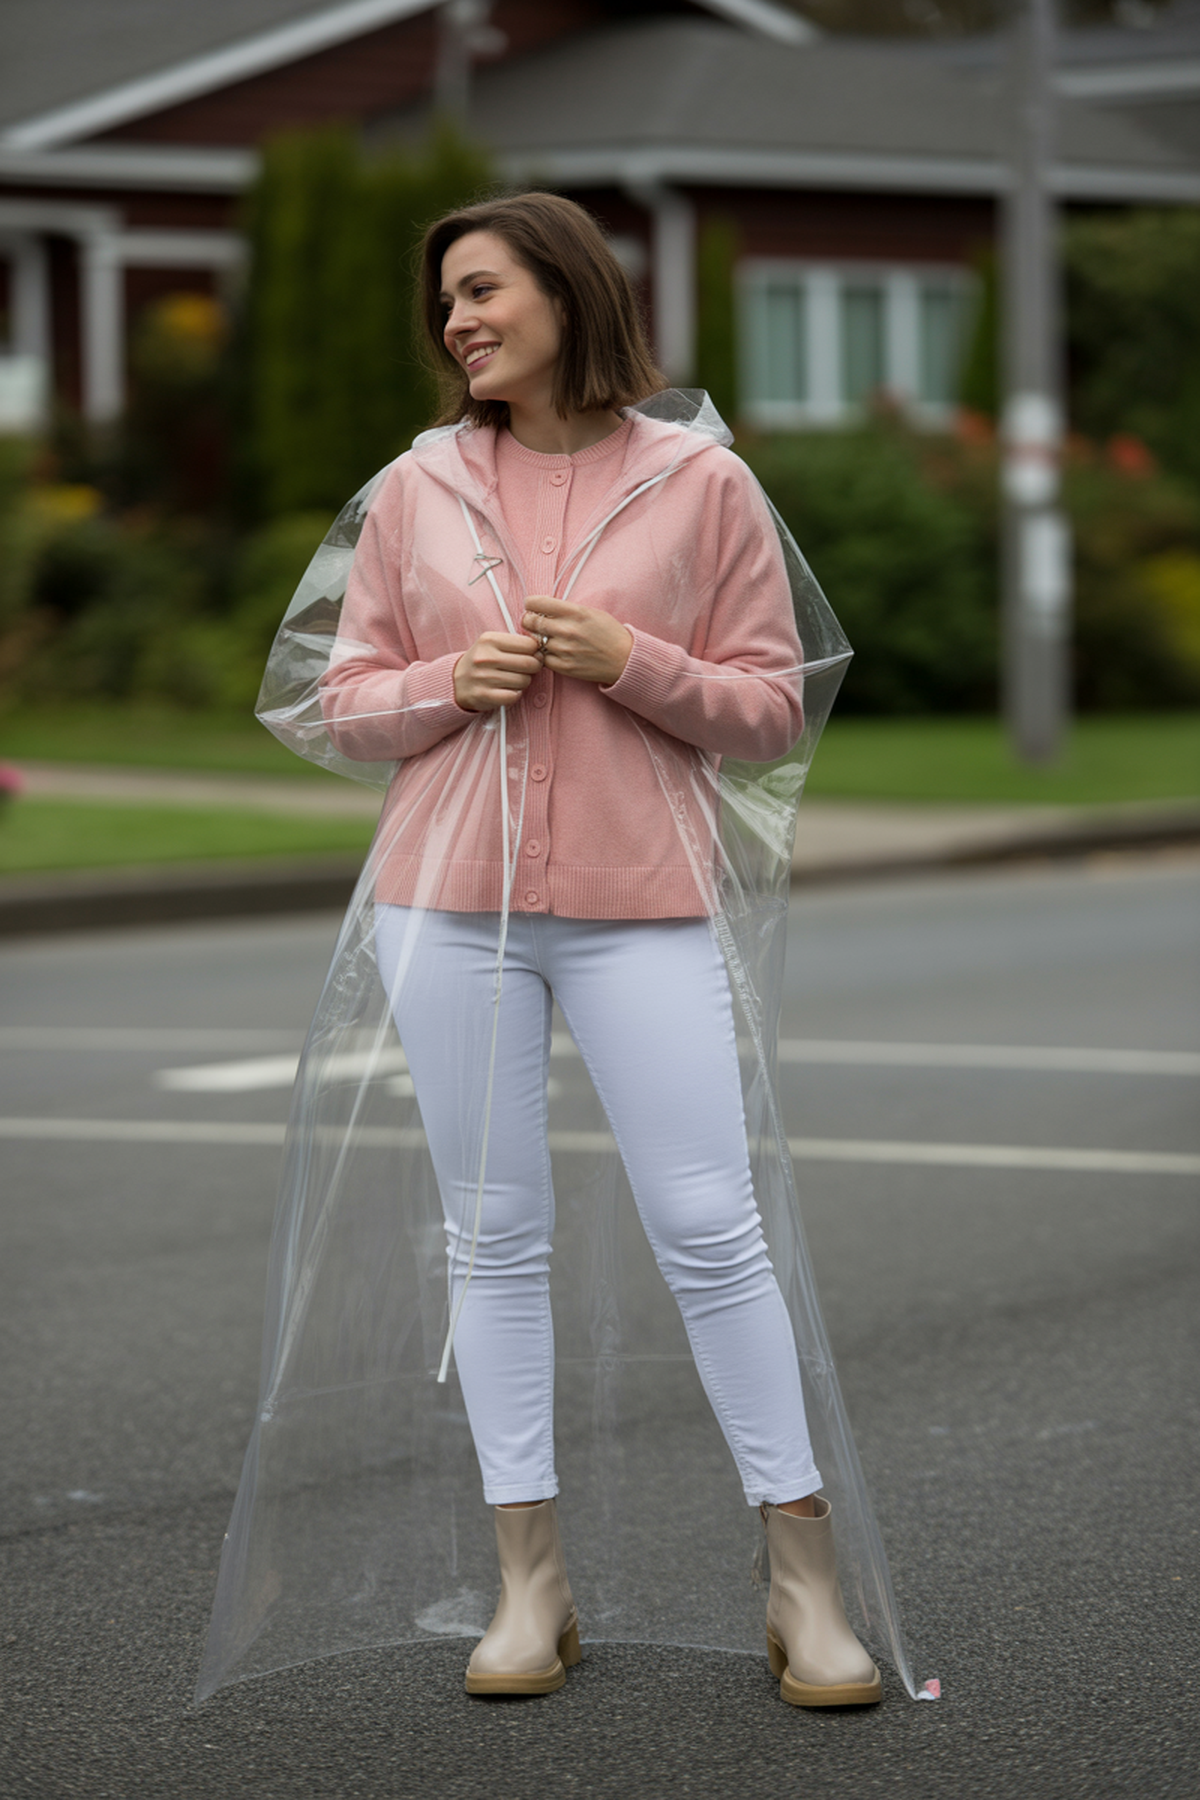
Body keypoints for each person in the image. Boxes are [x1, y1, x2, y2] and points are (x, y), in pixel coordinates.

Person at [310, 191, 882, 1707]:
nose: (459, 323)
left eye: (483, 290)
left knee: (711, 1227)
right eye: (446, 304)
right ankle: (528, 1585)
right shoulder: (417, 487)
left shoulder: (703, 483)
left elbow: (773, 709)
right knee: (492, 1237)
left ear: (569, 290)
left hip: (650, 905)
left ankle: (804, 1586)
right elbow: (343, 700)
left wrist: (634, 661)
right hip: (449, 903)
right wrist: (448, 679)